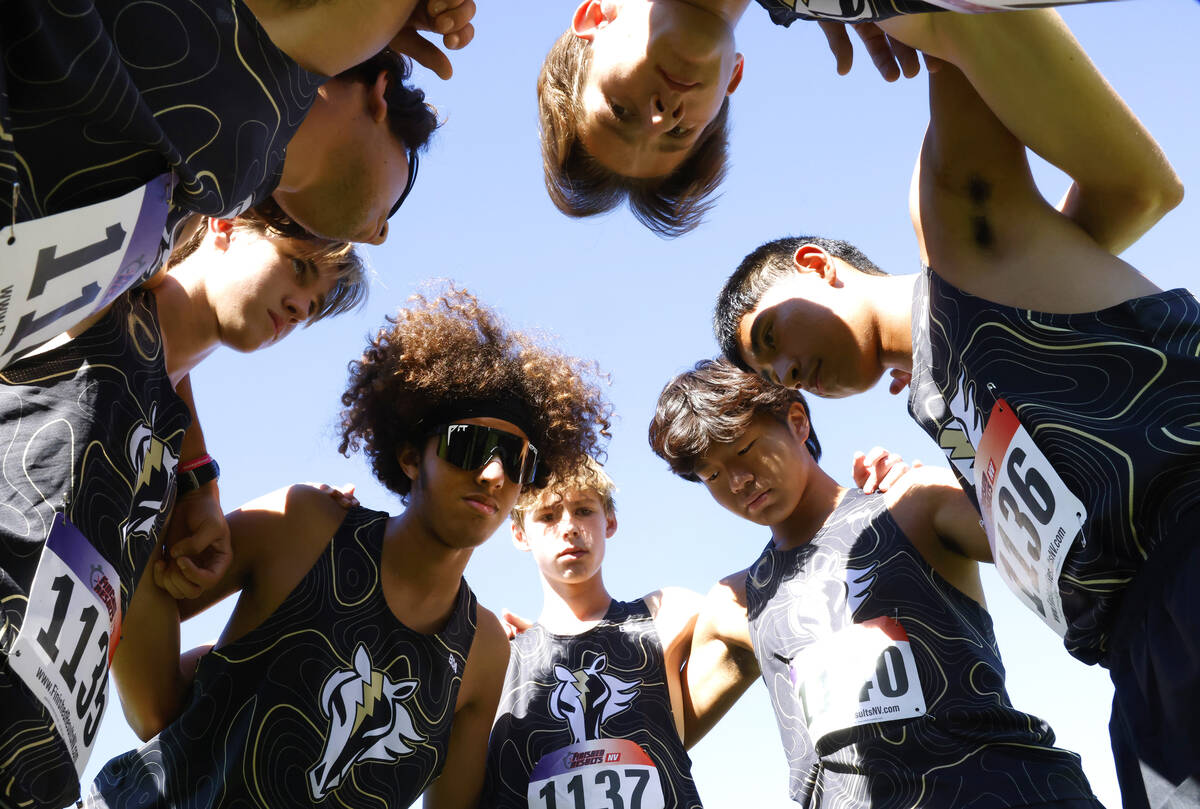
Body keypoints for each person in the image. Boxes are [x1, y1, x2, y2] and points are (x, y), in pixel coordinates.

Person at [712, 10, 1194, 808]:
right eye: (778, 377)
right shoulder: (949, 396)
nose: (791, 368)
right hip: (1141, 669)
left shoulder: (953, 229)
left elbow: (964, 27)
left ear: (816, 267)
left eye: (771, 336)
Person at [85, 287, 613, 809]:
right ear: (411, 456)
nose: (494, 474)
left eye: (516, 460)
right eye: (469, 445)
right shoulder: (304, 524)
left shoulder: (483, 651)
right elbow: (135, 596)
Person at [0, 212, 368, 809]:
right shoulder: (106, 290)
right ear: (224, 223)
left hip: (34, 763)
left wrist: (301, 591)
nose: (301, 306)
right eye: (299, 266)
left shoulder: (165, 455)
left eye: (316, 305)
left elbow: (155, 708)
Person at [647, 358, 1105, 808]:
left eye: (745, 450)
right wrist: (649, 621)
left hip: (1014, 791)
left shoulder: (912, 505)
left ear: (796, 421)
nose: (739, 480)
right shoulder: (738, 603)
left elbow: (1077, 535)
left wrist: (959, 446)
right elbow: (647, 742)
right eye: (711, 475)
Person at [1, 6, 442, 364]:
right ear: (380, 95)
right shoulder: (266, 52)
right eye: (397, 199)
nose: (381, 234)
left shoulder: (183, 216)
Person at [536, 0, 1107, 237]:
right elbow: (1138, 189)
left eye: (621, 111)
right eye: (680, 135)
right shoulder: (907, 15)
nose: (661, 117)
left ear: (596, 14)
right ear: (732, 78)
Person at [481, 458, 704, 809]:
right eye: (548, 516)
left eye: (584, 510)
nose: (569, 527)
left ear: (610, 521)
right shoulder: (495, 657)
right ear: (520, 533)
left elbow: (752, 613)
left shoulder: (666, 617)